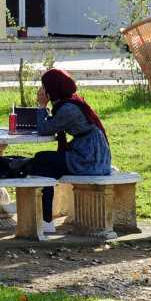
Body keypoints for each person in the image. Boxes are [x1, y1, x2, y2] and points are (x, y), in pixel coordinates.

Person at [26, 68, 112, 234]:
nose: (42, 90)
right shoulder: (70, 101)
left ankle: (45, 218)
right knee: (46, 167)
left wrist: (42, 106)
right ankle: (45, 219)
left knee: (41, 160)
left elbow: (44, 129)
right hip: (88, 153)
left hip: (89, 159)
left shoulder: (68, 109)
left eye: (44, 87)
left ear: (53, 87)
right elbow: (52, 124)